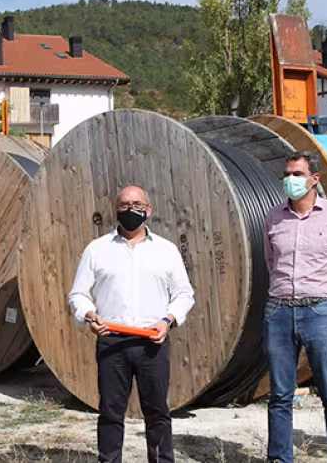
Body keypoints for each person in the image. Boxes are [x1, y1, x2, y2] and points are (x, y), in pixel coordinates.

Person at [67, 185, 195, 463]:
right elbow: (77, 294)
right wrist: (89, 314)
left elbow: (185, 294)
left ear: (149, 210)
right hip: (112, 341)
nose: (130, 209)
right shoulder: (97, 250)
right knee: (111, 413)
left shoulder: (167, 250)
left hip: (153, 341)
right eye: (124, 204)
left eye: (137, 204)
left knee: (157, 412)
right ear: (116, 210)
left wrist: (168, 320)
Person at [262, 151, 327, 463]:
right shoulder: (274, 217)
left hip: (320, 312)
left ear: (315, 179)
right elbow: (270, 260)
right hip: (278, 311)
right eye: (287, 174)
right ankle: (279, 457)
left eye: (297, 174)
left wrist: (326, 292)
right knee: (279, 394)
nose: (290, 180)